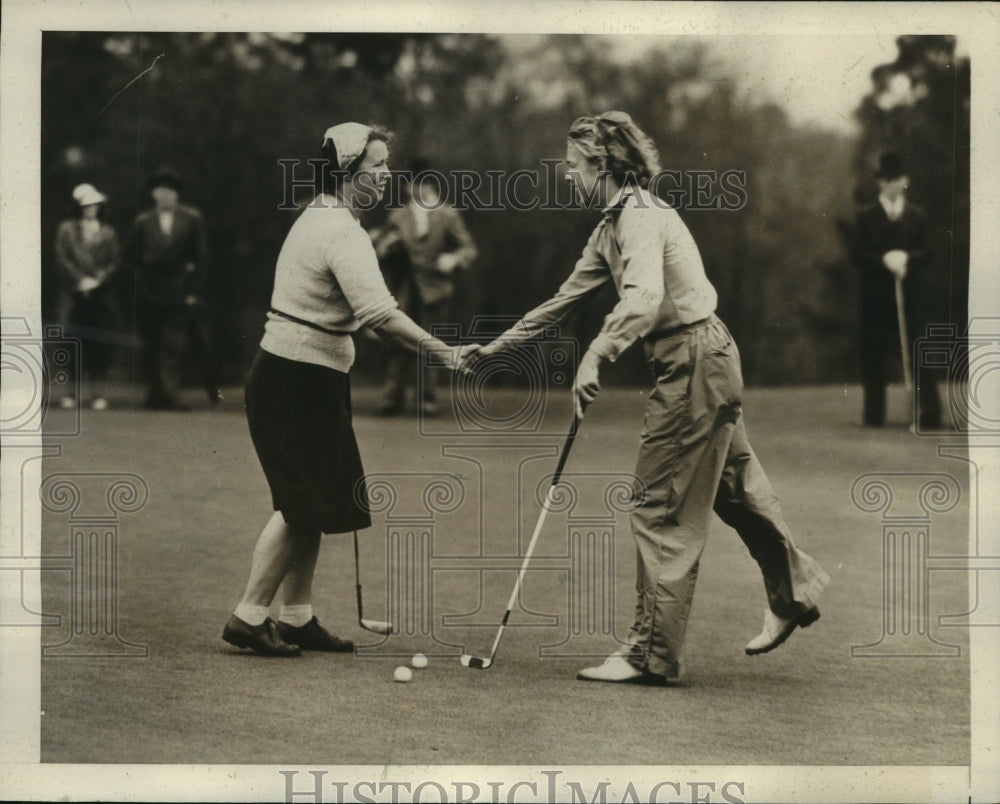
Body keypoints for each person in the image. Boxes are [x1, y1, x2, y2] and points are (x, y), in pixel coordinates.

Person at [477, 111, 829, 684]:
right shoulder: (609, 228)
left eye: (572, 166)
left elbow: (643, 299)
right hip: (705, 359)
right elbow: (563, 301)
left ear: (602, 165)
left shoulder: (639, 216)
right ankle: (795, 594)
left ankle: (650, 654)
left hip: (694, 361)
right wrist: (495, 350)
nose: (566, 176)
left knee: (658, 506)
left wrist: (597, 355)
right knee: (736, 489)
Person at [222, 123, 478, 656]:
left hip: (304, 376)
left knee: (314, 501)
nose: (387, 176)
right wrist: (445, 352)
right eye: (377, 167)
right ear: (346, 172)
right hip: (296, 380)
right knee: (301, 504)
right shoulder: (340, 230)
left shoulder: (326, 216)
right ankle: (249, 615)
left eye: (386, 165)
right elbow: (381, 315)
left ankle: (295, 616)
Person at [371, 159, 478, 416]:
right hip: (406, 287)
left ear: (428, 184)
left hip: (435, 289)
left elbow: (468, 248)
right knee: (398, 341)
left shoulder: (446, 214)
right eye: (409, 184)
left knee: (432, 343)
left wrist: (453, 259)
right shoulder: (399, 215)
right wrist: (380, 244)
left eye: (415, 183)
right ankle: (391, 398)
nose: (410, 189)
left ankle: (426, 399)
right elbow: (385, 246)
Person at [852, 153, 941, 429]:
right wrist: (883, 260)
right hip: (876, 296)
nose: (893, 185)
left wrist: (907, 258)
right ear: (880, 183)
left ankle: (929, 414)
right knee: (874, 353)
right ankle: (874, 414)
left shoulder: (916, 215)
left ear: (905, 181)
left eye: (898, 180)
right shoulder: (865, 217)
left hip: (911, 294)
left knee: (918, 349)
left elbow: (928, 251)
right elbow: (857, 254)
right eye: (888, 180)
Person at [128, 167, 220, 410]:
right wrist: (141, 287)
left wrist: (193, 292)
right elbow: (132, 259)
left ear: (177, 194)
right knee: (151, 342)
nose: (165, 195)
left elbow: (201, 258)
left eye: (170, 191)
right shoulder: (143, 222)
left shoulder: (191, 218)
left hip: (179, 289)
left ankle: (171, 395)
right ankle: (155, 395)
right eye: (160, 190)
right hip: (150, 290)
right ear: (153, 194)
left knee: (173, 345)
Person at [54, 183, 122, 410]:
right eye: (86, 205)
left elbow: (115, 261)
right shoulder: (67, 230)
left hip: (100, 296)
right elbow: (62, 258)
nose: (91, 209)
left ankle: (97, 394)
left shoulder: (108, 232)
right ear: (78, 207)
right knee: (73, 343)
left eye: (94, 205)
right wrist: (80, 280)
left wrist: (99, 280)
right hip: (74, 295)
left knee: (98, 344)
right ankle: (71, 394)